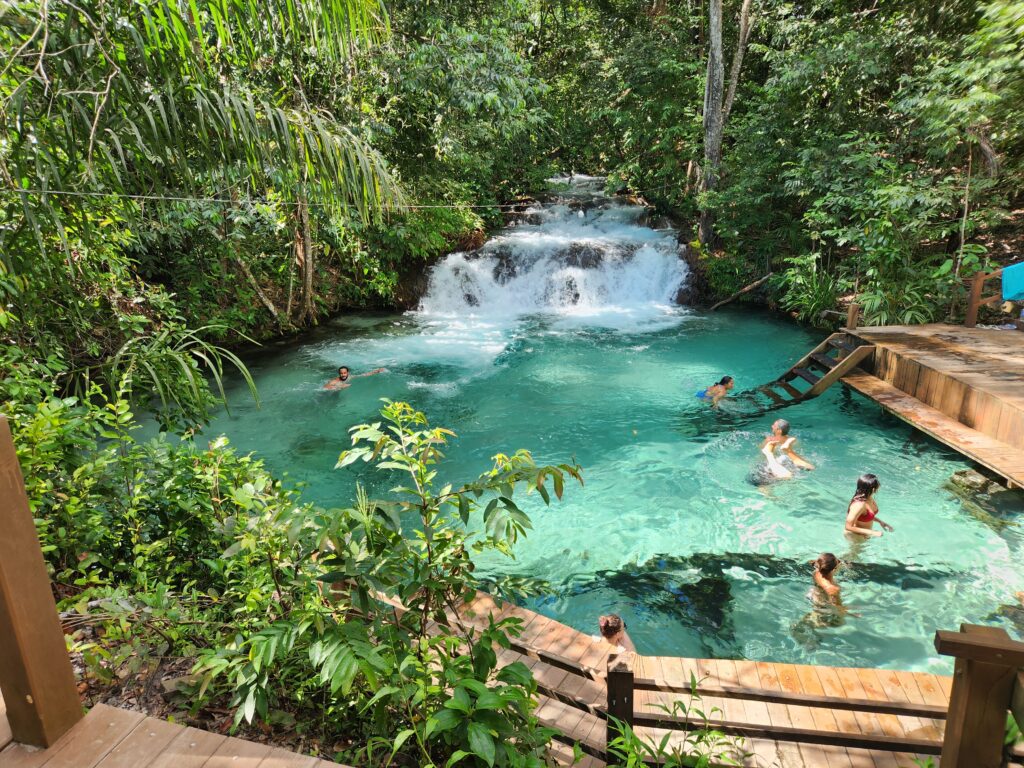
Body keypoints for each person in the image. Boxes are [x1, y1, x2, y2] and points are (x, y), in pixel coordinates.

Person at [844, 473, 894, 537]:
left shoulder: (869, 498)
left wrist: (880, 521)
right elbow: (848, 527)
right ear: (873, 489)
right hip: (854, 537)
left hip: (864, 536)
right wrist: (872, 532)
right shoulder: (859, 505)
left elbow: (865, 516)